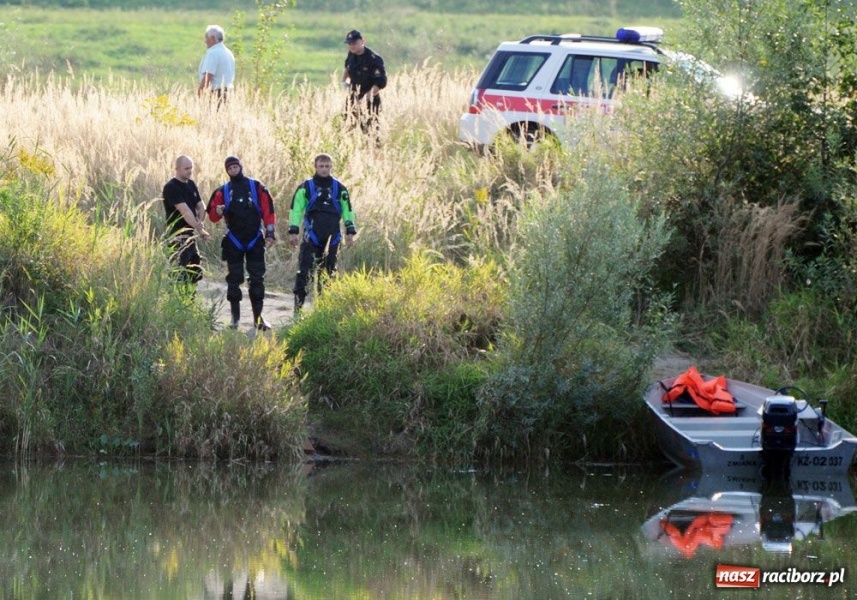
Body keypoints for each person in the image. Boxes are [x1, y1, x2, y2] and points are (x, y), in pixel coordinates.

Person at [206, 156, 277, 330]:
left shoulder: (257, 187)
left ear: (240, 167)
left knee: (257, 279)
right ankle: (234, 320)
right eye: (229, 168)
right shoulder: (222, 191)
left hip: (254, 239)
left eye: (235, 167)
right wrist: (217, 211)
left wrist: (270, 233)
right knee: (234, 279)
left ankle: (258, 319)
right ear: (226, 171)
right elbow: (213, 216)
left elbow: (269, 210)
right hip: (234, 241)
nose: (233, 170)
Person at [288, 153, 356, 313]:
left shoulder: (340, 188)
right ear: (315, 166)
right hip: (311, 236)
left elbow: (348, 210)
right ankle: (297, 311)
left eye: (327, 166)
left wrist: (350, 232)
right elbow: (296, 209)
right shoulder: (306, 187)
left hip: (333, 236)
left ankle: (323, 311)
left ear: (331, 166)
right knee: (304, 273)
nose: (324, 169)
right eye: (321, 166)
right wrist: (293, 230)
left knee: (328, 274)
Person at [162, 155, 210, 289]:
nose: (190, 171)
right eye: (186, 168)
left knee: (194, 270)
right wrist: (200, 229)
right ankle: (177, 303)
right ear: (177, 169)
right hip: (176, 236)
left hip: (190, 235)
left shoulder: (191, 184)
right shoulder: (171, 187)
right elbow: (185, 211)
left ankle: (190, 300)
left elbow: (201, 206)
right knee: (179, 272)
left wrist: (200, 223)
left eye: (191, 168)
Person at [341, 29, 387, 139]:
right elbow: (347, 67)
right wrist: (343, 81)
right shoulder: (351, 55)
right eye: (350, 44)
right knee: (347, 129)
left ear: (362, 41)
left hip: (369, 100)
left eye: (355, 43)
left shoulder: (374, 59)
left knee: (371, 132)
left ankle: (373, 153)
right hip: (353, 97)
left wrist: (365, 99)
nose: (352, 46)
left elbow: (380, 82)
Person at [198, 24, 235, 106]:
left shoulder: (213, 53)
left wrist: (200, 95)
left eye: (207, 38)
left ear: (212, 39)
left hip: (216, 95)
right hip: (229, 94)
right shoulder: (228, 53)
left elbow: (208, 76)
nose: (205, 41)